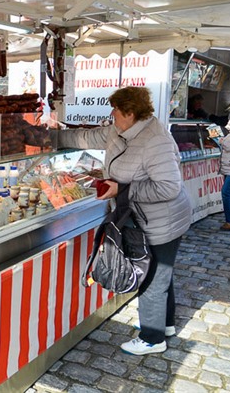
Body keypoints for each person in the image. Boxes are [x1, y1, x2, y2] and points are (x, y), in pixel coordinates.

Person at [51, 86, 191, 356]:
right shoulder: (118, 130)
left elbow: (168, 188)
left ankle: (152, 338)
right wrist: (49, 137)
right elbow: (85, 137)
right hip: (141, 217)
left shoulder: (155, 140)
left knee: (152, 278)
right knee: (161, 273)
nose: (111, 113)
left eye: (115, 109)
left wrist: (123, 189)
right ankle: (167, 324)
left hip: (163, 220)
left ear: (130, 112)